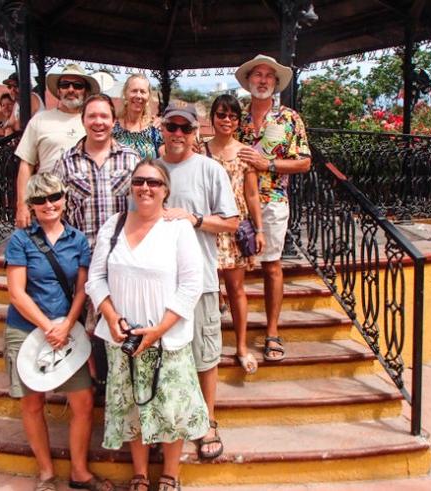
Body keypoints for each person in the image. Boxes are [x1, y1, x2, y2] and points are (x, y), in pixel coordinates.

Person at [86, 160, 208, 491]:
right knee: (133, 409)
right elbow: (95, 279)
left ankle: (170, 474)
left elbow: (191, 285)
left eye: (153, 183)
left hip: (166, 340)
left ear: (165, 190)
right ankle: (140, 474)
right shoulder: (114, 224)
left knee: (171, 409)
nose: (145, 188)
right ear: (130, 186)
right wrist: (111, 317)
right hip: (122, 339)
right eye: (139, 181)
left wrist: (159, 330)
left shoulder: (178, 228)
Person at [4, 173, 114, 491]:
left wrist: (67, 323)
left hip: (68, 329)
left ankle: (79, 471)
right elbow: (17, 292)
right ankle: (46, 473)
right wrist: (47, 325)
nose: (48, 204)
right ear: (31, 205)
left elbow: (83, 288)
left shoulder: (78, 240)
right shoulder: (21, 240)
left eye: (54, 197)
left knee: (82, 401)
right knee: (32, 403)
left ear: (64, 199)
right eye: (40, 200)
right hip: (27, 329)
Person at [157, 101, 239, 460]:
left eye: (184, 128)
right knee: (162, 356)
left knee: (204, 355)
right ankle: (165, 423)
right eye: (171, 127)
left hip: (201, 279)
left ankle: (207, 421)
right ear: (161, 130)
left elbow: (232, 222)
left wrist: (194, 219)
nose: (177, 134)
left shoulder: (210, 170)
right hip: (158, 283)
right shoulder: (151, 171)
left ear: (196, 133)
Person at [235, 54, 311, 362]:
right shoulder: (235, 117)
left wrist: (269, 164)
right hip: (236, 200)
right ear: (249, 81)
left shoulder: (289, 118)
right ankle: (234, 329)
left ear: (275, 83)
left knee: (272, 266)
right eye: (257, 75)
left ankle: (271, 331)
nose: (263, 80)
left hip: (273, 201)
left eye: (269, 76)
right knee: (233, 266)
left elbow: (304, 162)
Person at [202, 94, 265, 374]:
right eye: (221, 115)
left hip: (236, 229)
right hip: (208, 227)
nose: (227, 120)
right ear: (213, 118)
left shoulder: (245, 153)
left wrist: (259, 229)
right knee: (207, 289)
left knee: (236, 288)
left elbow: (252, 194)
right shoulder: (200, 151)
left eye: (232, 116)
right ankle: (206, 348)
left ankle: (241, 345)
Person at [15, 64, 100, 229]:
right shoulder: (40, 121)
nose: (71, 89)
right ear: (59, 90)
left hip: (85, 209)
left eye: (77, 85)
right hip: (47, 205)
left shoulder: (94, 122)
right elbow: (26, 164)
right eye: (65, 85)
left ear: (85, 90)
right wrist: (22, 205)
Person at [53, 93, 140, 250]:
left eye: (104, 116)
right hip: (82, 257)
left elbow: (143, 208)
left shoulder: (131, 159)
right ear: (83, 121)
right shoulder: (66, 162)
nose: (98, 122)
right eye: (92, 116)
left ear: (114, 121)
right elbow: (54, 212)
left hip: (121, 256)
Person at [112, 74, 163, 159]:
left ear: (148, 96)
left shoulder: (155, 129)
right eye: (134, 91)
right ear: (125, 93)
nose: (138, 96)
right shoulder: (112, 127)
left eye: (143, 92)